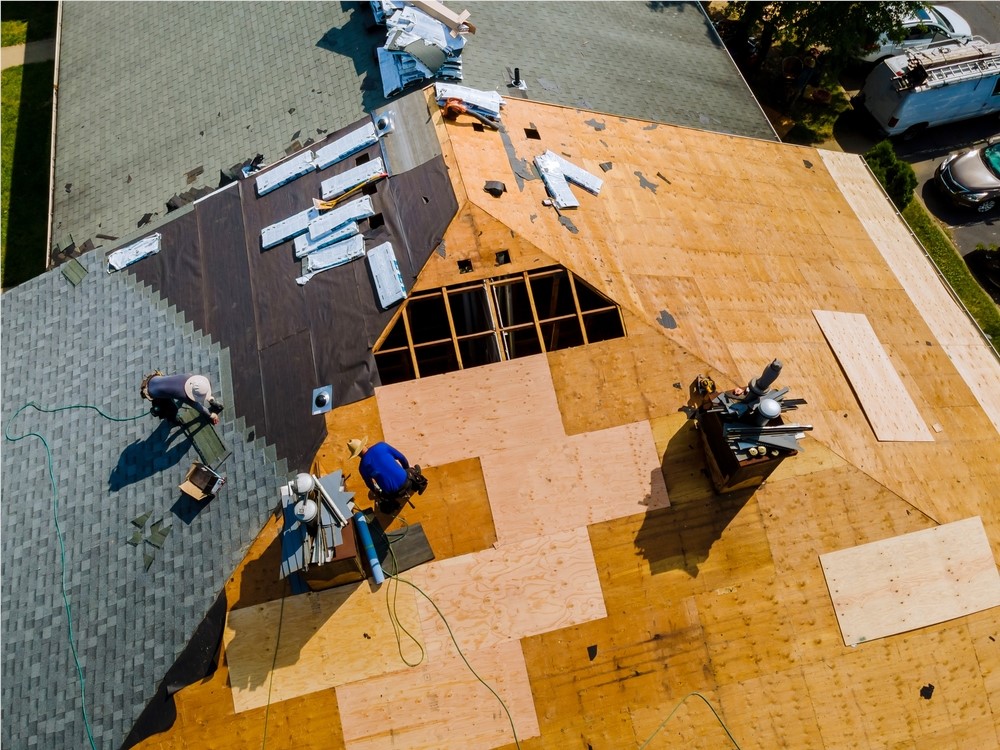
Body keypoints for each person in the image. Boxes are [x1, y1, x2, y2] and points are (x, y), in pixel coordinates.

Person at [347, 437, 427, 511]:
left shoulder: (362, 467)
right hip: (408, 482)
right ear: (363, 444)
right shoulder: (381, 446)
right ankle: (416, 481)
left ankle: (394, 505)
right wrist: (407, 470)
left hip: (393, 495)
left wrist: (378, 494)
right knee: (412, 469)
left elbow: (370, 486)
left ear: (356, 454)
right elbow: (402, 458)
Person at [141, 371, 224, 425]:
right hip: (151, 392)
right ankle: (172, 420)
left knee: (173, 391)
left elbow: (195, 388)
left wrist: (209, 398)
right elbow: (199, 408)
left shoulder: (189, 376)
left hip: (154, 379)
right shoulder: (185, 396)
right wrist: (211, 415)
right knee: (172, 409)